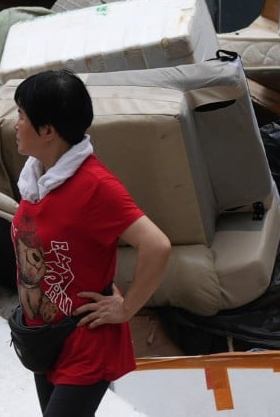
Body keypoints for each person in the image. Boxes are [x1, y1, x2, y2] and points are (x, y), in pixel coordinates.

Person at [10, 70, 171, 416]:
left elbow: (157, 246)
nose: (15, 123)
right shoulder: (36, 177)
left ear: (48, 131)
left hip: (85, 344)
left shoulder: (96, 186)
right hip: (43, 337)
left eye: (21, 115)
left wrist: (126, 309)